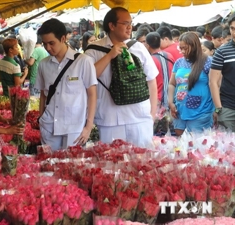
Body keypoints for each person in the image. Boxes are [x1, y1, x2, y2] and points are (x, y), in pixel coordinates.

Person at [85, 7, 158, 148]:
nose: (130, 27)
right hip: (110, 120)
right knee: (113, 164)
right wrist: (110, 56)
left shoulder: (138, 47)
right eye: (125, 23)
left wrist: (151, 115)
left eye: (131, 23)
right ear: (111, 26)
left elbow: (151, 81)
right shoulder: (93, 50)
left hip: (140, 118)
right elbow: (87, 79)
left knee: (144, 164)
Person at [35, 18, 97, 151]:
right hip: (49, 127)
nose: (48, 48)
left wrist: (88, 127)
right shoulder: (43, 64)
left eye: (51, 43)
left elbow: (92, 94)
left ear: (63, 38)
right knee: (48, 167)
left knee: (72, 168)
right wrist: (41, 120)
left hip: (75, 129)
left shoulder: (83, 62)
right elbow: (43, 95)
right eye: (45, 44)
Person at [168, 32, 214, 136]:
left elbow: (215, 85)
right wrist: (170, 102)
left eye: (185, 48)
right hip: (180, 110)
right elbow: (172, 84)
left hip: (201, 111)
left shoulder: (208, 62)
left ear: (194, 46)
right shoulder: (179, 62)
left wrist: (216, 109)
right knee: (182, 145)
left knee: (195, 144)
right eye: (181, 48)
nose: (183, 51)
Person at [209, 14, 235, 132]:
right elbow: (213, 82)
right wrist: (219, 108)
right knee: (227, 147)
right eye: (232, 28)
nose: (234, 32)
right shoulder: (222, 51)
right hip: (228, 106)